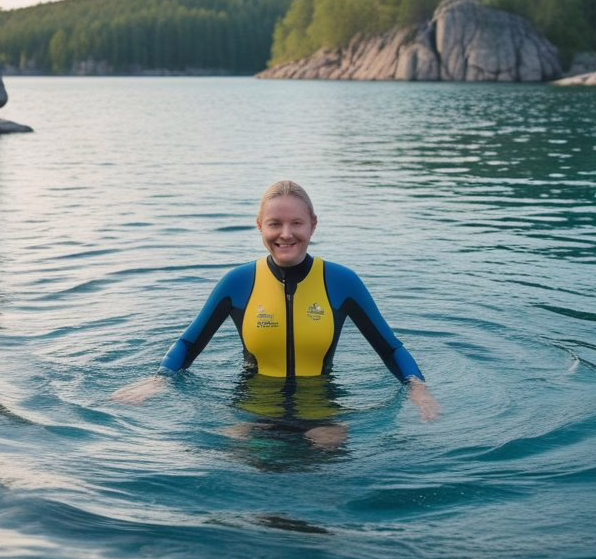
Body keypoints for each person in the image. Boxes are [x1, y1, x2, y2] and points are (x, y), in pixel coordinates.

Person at [112, 180, 440, 424]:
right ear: (259, 226)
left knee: (328, 463)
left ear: (313, 225)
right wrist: (159, 381)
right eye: (274, 224)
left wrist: (417, 387)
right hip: (253, 403)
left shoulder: (342, 282)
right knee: (244, 464)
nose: (286, 234)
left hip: (320, 403)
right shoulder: (238, 283)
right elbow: (189, 343)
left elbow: (391, 348)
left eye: (296, 223)